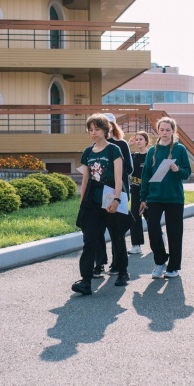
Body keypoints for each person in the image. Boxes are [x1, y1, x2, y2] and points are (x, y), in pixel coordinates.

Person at [73, 113, 129, 295]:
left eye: (97, 129)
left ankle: (122, 271)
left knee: (117, 236)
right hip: (92, 201)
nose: (93, 133)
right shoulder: (87, 152)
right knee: (89, 240)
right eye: (90, 130)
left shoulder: (114, 150)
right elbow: (85, 180)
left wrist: (117, 199)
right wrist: (82, 203)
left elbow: (119, 178)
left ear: (106, 130)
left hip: (110, 197)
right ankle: (86, 280)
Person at [139, 117, 191, 279]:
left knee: (174, 233)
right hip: (154, 197)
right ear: (158, 130)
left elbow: (187, 173)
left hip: (174, 198)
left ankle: (173, 267)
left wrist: (178, 169)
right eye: (162, 129)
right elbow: (145, 175)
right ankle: (160, 261)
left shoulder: (180, 149)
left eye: (168, 130)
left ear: (173, 131)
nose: (165, 132)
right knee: (152, 228)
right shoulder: (152, 151)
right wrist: (143, 197)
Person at [93, 113, 134, 277]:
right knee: (98, 230)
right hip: (99, 192)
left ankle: (117, 264)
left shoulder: (120, 144)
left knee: (116, 230)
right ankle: (99, 263)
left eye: (106, 124)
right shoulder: (95, 145)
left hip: (117, 191)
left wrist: (113, 171)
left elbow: (129, 168)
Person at [127, 131, 150, 255]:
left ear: (146, 141)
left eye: (141, 139)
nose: (138, 141)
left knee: (150, 217)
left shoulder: (150, 155)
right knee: (135, 217)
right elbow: (121, 158)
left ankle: (159, 236)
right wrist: (128, 145)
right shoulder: (133, 156)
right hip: (135, 191)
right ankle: (136, 245)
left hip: (148, 191)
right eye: (136, 139)